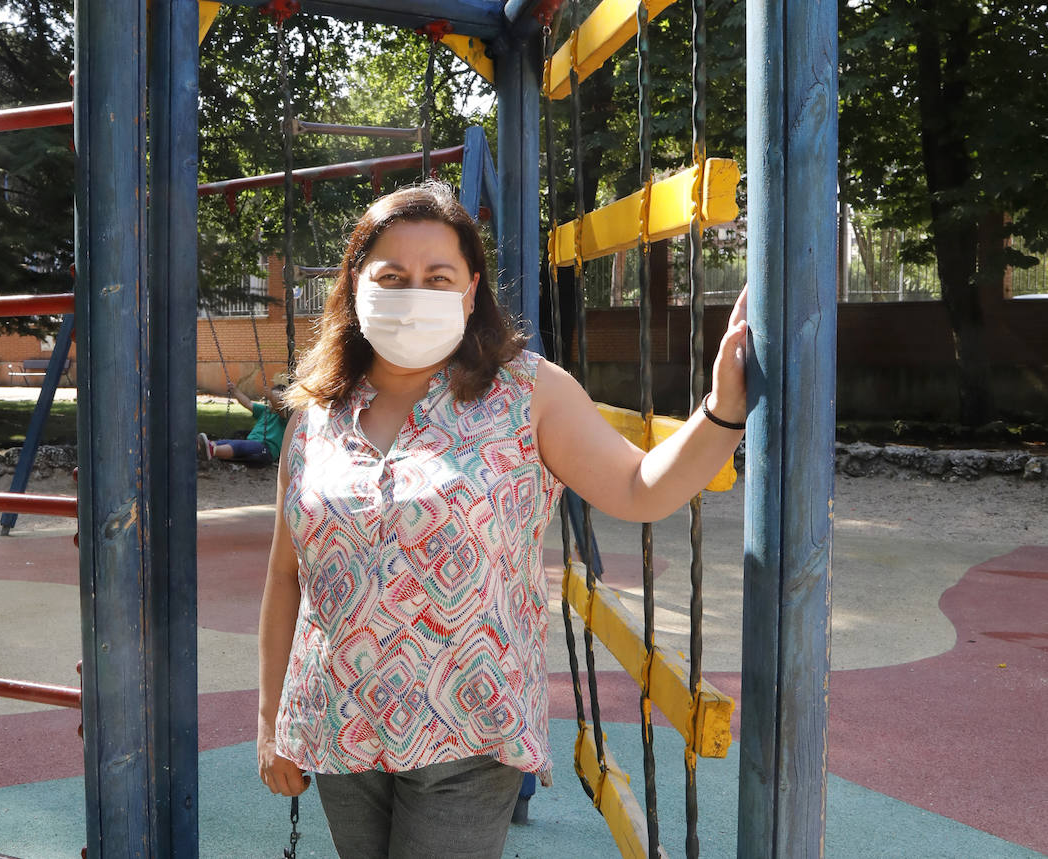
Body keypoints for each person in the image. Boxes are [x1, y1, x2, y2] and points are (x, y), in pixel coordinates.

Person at [257, 181, 747, 859]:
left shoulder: (527, 392)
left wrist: (722, 411)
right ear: (355, 284)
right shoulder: (317, 415)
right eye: (392, 276)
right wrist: (270, 719)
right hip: (341, 725)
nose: (414, 292)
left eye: (437, 277)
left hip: (468, 731)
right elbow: (287, 576)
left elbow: (639, 488)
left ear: (470, 289)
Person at [198, 381, 289, 464]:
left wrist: (272, 396)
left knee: (238, 446)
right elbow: (248, 403)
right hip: (251, 444)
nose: (273, 401)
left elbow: (279, 408)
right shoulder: (264, 411)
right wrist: (236, 391)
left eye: (279, 399)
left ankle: (212, 450)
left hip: (266, 450)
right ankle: (202, 448)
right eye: (271, 398)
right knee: (225, 442)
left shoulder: (284, 417)